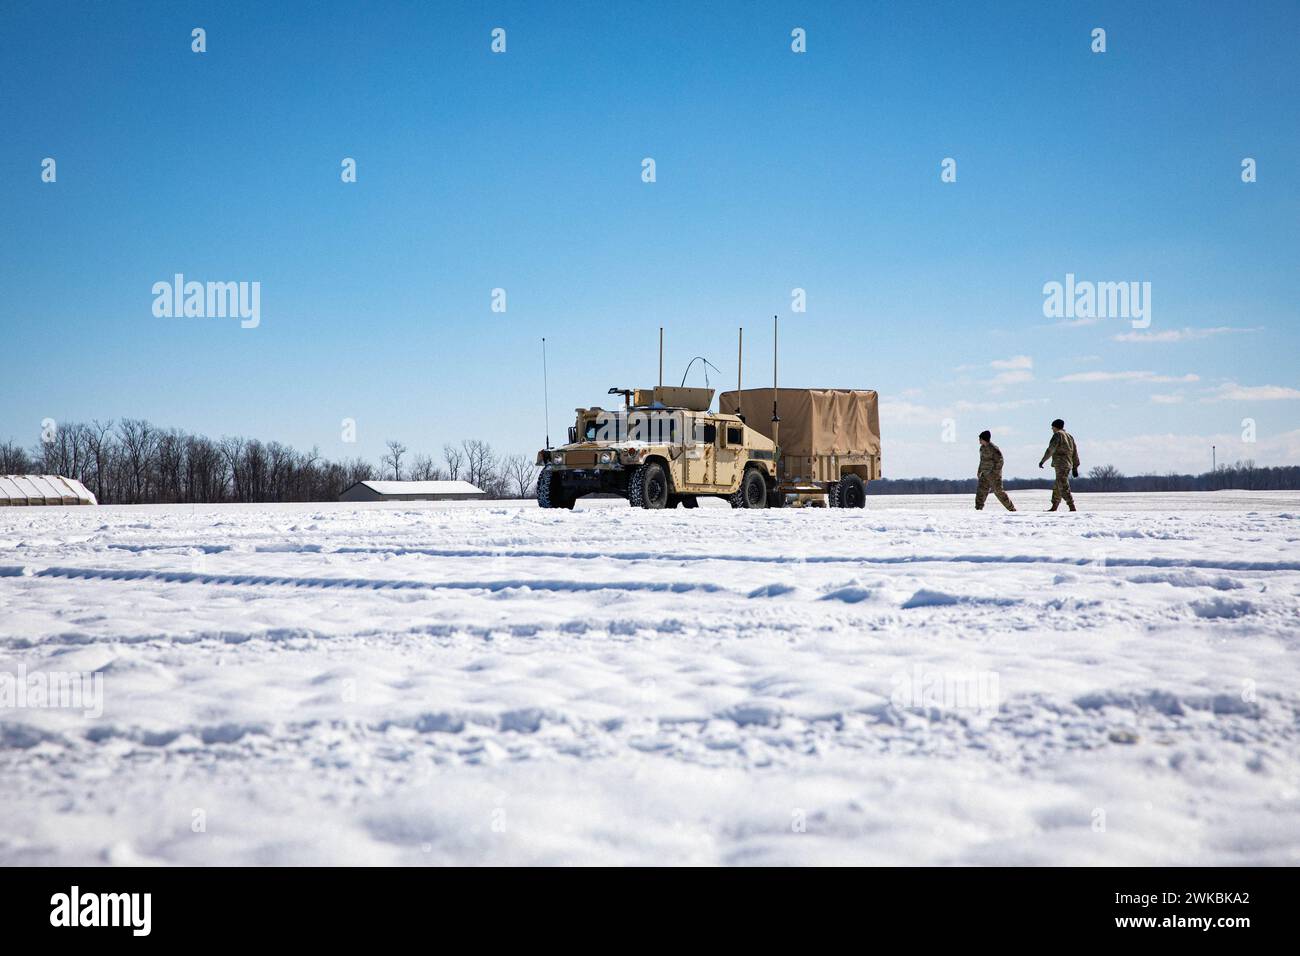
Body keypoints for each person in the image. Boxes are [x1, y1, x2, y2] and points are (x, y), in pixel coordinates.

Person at [1038, 418, 1080, 511]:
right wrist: (1075, 467)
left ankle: (1071, 506)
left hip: (1061, 464)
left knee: (1063, 485)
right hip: (1068, 464)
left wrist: (1043, 461)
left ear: (1055, 427)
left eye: (1052, 427)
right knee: (1058, 485)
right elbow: (1075, 452)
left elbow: (1051, 449)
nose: (1052, 429)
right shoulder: (1069, 436)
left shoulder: (1057, 435)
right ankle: (1054, 506)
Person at [975, 430, 1016, 511]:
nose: (979, 441)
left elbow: (1000, 461)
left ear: (984, 439)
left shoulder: (993, 448)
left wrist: (995, 473)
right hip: (984, 474)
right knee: (980, 492)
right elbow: (982, 461)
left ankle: (1011, 509)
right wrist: (979, 471)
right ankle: (978, 510)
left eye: (980, 439)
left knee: (999, 493)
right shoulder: (982, 448)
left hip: (994, 476)